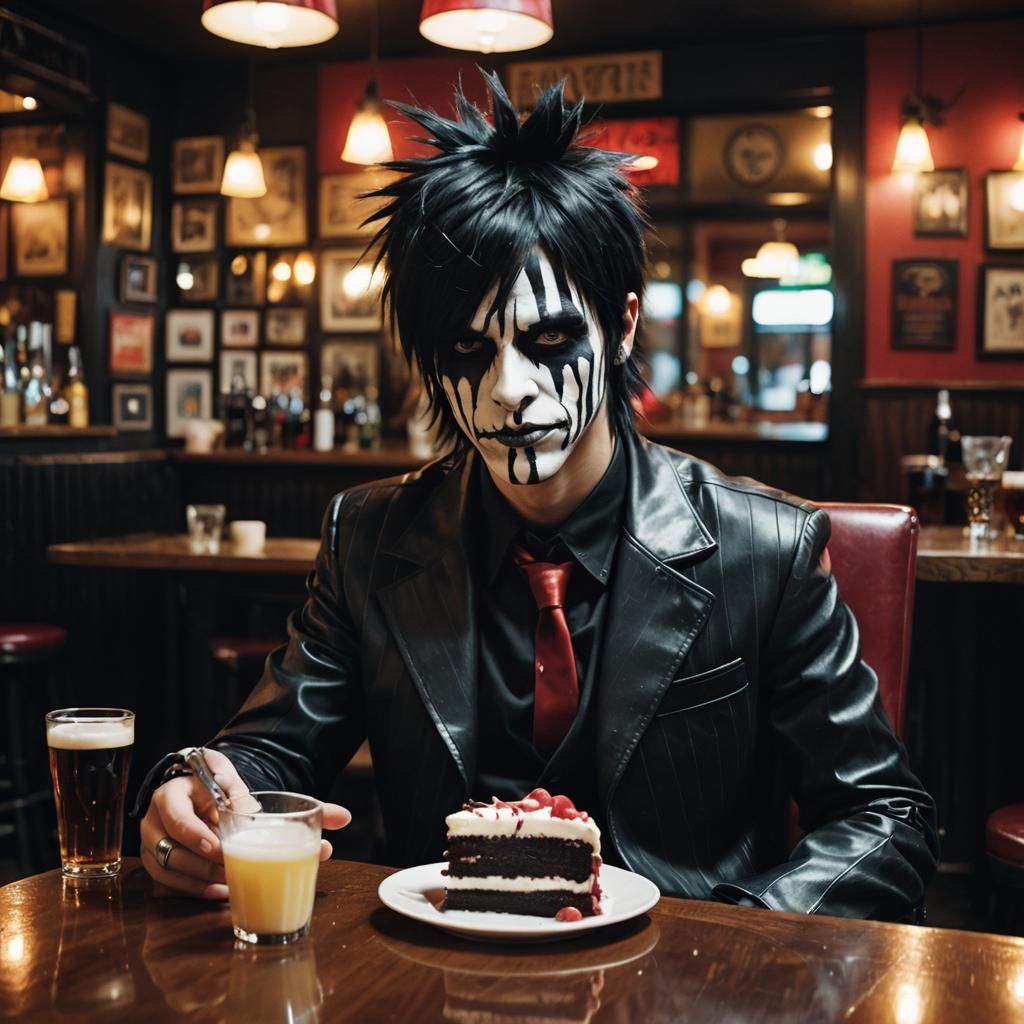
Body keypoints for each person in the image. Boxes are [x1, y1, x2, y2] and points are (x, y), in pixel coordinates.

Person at [136, 70, 937, 919]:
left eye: (550, 338)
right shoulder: (369, 539)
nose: (510, 389)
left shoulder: (764, 549)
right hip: (438, 965)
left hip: (682, 975)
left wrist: (736, 946)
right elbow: (269, 756)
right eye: (466, 348)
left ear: (621, 326)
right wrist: (195, 794)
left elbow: (885, 817)